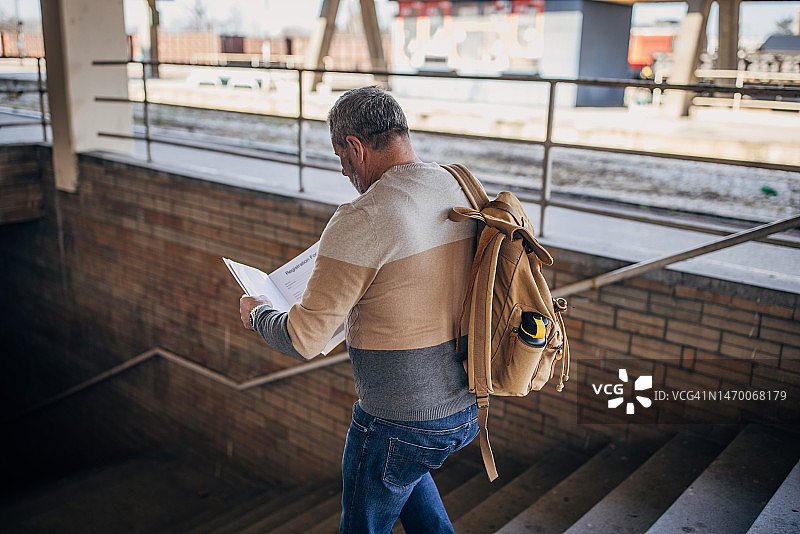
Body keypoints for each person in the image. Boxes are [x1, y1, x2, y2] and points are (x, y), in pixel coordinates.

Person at [239, 85, 479, 534]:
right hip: (465, 408)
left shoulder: (363, 217)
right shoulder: (457, 183)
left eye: (340, 158)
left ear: (355, 146)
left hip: (397, 420)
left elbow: (305, 339)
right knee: (407, 472)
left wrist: (258, 313)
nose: (344, 171)